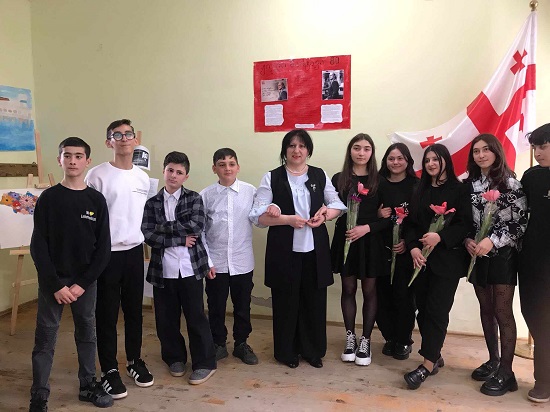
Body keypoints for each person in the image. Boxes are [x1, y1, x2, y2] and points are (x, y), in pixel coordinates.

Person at [250, 129, 346, 369]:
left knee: (314, 301)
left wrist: (325, 214)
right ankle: (286, 352)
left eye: (302, 146)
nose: (297, 150)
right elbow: (257, 216)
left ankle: (313, 351)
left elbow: (337, 204)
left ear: (308, 150)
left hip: (314, 250)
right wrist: (287, 219)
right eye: (292, 145)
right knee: (286, 302)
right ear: (285, 150)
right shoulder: (272, 177)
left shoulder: (319, 175)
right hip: (284, 251)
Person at [29, 137, 113, 411]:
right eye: (67, 155)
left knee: (87, 334)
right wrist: (54, 284)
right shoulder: (49, 199)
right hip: (53, 283)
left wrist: (82, 284)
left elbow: (103, 249)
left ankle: (88, 385)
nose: (73, 161)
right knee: (45, 338)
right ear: (59, 160)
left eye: (78, 156)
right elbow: (38, 245)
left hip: (84, 284)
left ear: (87, 161)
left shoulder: (96, 200)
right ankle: (39, 394)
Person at [85, 119, 153, 400]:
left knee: (134, 311)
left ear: (135, 140)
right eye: (117, 135)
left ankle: (134, 360)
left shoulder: (142, 178)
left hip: (134, 252)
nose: (124, 138)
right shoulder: (97, 175)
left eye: (128, 134)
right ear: (108, 142)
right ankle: (109, 370)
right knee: (107, 314)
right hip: (107, 254)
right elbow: (88, 218)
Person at [142, 151, 217, 385]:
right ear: (164, 171)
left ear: (186, 176)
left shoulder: (194, 199)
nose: (173, 175)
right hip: (162, 270)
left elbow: (196, 226)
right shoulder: (152, 203)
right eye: (170, 170)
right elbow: (147, 234)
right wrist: (179, 239)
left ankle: (204, 363)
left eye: (179, 172)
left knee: (196, 316)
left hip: (190, 268)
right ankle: (174, 358)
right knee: (166, 318)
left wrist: (163, 227)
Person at [403, 143, 472, 390]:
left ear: (446, 161)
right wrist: (413, 247)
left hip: (447, 262)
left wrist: (440, 237)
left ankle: (426, 365)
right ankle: (435, 354)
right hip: (420, 261)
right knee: (422, 310)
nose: (431, 164)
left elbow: (465, 224)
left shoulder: (459, 189)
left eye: (436, 159)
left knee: (437, 311)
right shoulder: (419, 189)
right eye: (427, 160)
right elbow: (410, 224)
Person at [464, 134, 527, 396]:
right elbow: (465, 220)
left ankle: (507, 372)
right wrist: (468, 240)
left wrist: (492, 240)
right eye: (476, 151)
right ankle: (493, 360)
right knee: (486, 309)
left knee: (502, 312)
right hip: (477, 255)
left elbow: (520, 223)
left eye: (486, 150)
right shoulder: (469, 184)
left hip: (503, 256)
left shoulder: (510, 183)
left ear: (496, 152)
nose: (481, 155)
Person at [330, 133, 386, 366]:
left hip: (370, 241)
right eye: (356, 148)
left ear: (372, 153)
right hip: (346, 239)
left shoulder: (380, 180)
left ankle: (366, 340)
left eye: (366, 148)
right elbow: (332, 207)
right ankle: (350, 337)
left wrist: (367, 228)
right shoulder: (338, 178)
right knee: (348, 288)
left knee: (370, 291)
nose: (361, 153)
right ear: (350, 151)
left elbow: (389, 217)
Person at [200, 148, 259, 365]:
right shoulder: (205, 195)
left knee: (242, 306)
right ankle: (218, 343)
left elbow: (260, 220)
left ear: (238, 167)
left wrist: (272, 208)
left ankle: (241, 343)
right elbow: (200, 232)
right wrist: (207, 261)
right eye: (222, 164)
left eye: (231, 164)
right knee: (216, 305)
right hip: (216, 263)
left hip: (242, 261)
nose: (227, 168)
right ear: (214, 168)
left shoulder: (250, 192)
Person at [376, 143, 419, 361]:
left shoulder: (416, 185)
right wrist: (377, 214)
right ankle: (389, 337)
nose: (395, 162)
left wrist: (407, 242)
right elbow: (366, 213)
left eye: (400, 158)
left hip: (405, 250)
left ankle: (403, 340)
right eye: (391, 158)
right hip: (380, 247)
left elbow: (420, 219)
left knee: (403, 297)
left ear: (408, 161)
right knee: (381, 296)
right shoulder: (378, 183)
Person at [519, 123, 550, 403]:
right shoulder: (530, 176)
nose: (538, 152)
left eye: (543, 146)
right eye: (535, 147)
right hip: (530, 260)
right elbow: (518, 214)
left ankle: (543, 382)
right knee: (533, 315)